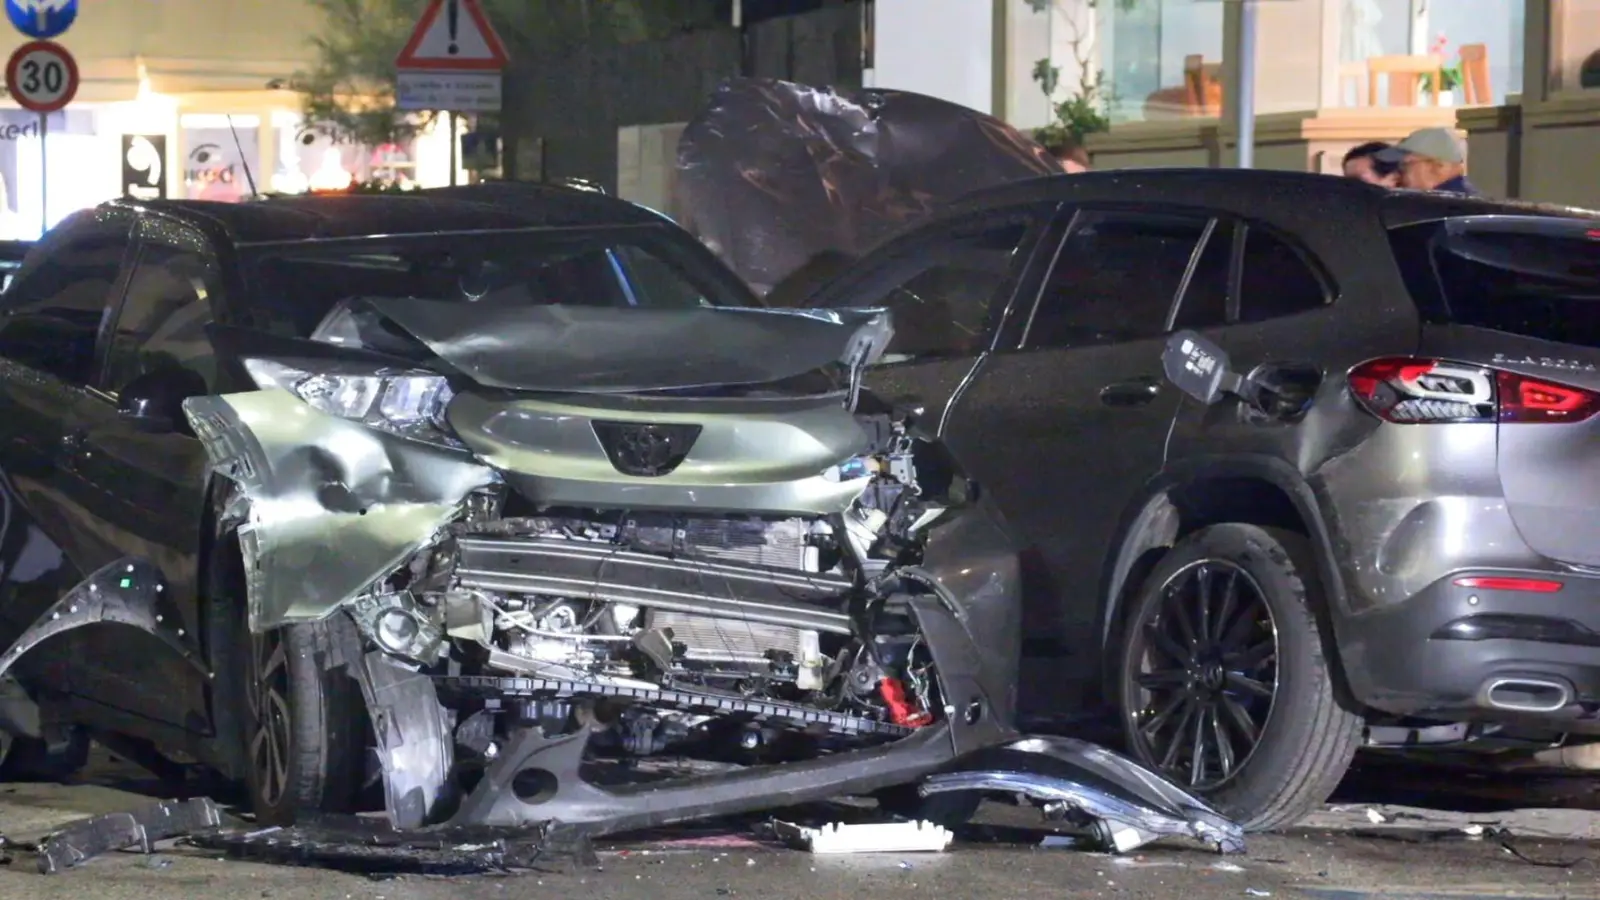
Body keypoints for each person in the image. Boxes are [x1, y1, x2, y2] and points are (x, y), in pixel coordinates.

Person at [1374, 127, 1481, 195]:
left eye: (1404, 167)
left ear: (1438, 166)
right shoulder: (1466, 201)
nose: (1396, 176)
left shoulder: (1437, 209)